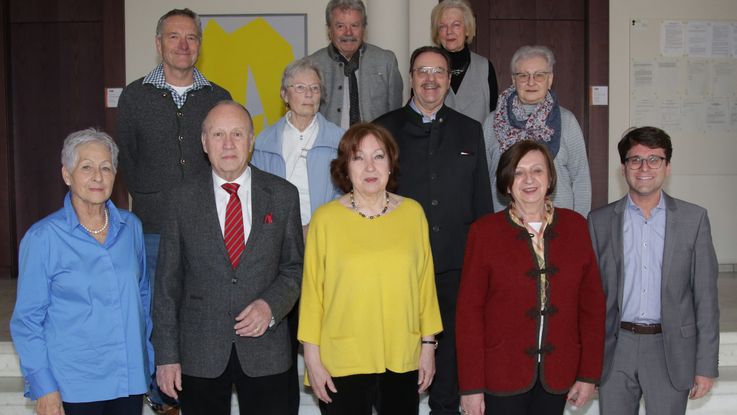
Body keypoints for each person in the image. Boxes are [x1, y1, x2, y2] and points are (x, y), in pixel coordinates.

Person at [153, 101, 304, 415]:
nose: (228, 143)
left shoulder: (283, 195)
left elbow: (295, 268)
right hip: (200, 353)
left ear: (251, 141)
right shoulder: (181, 200)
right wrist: (167, 356)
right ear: (204, 143)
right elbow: (167, 285)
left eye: (237, 133)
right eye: (218, 134)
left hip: (267, 350)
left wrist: (271, 306)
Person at [116, 9, 230, 409]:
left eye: (192, 37)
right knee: (154, 310)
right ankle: (161, 394)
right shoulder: (134, 97)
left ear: (200, 44)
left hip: (206, 227)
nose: (184, 45)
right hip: (152, 225)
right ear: (158, 43)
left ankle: (196, 387)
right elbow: (126, 159)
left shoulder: (217, 96)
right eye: (174, 36)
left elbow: (227, 158)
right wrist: (152, 195)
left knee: (197, 310)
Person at [374, 46, 492, 415]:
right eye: (422, 71)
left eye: (438, 71)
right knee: (400, 367)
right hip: (399, 270)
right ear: (411, 77)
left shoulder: (469, 130)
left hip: (456, 269)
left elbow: (482, 204)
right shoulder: (383, 129)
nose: (430, 79)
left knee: (450, 366)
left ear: (448, 79)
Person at [298, 123, 443, 414]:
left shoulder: (413, 214)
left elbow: (425, 285)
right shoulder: (325, 220)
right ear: (346, 167)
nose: (369, 167)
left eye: (378, 156)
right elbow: (313, 295)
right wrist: (312, 361)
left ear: (390, 164)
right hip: (342, 359)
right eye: (358, 157)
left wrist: (428, 346)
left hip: (402, 355)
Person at [456, 140, 605, 415]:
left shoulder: (576, 227)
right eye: (519, 171)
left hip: (558, 372)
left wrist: (588, 374)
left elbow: (592, 309)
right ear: (506, 181)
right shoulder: (484, 233)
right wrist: (470, 386)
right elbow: (469, 315)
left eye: (537, 170)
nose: (529, 180)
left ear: (550, 179)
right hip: (500, 373)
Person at [10, 128, 151, 415]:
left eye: (106, 168)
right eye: (86, 167)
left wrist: (147, 359)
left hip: (129, 381)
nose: (98, 177)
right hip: (73, 386)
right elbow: (27, 321)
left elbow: (143, 298)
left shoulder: (131, 228)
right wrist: (44, 386)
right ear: (67, 175)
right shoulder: (43, 238)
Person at [588, 126, 719, 415]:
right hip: (615, 348)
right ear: (623, 168)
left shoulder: (693, 220)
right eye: (635, 159)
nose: (644, 167)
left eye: (654, 159)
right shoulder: (598, 222)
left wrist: (706, 365)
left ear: (667, 167)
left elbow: (706, 299)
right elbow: (590, 299)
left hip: (670, 348)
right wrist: (586, 364)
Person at [250, 57, 343, 414]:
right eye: (300, 88)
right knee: (282, 348)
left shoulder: (340, 138)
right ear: (284, 94)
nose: (309, 94)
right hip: (277, 254)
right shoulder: (263, 142)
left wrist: (315, 226)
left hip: (327, 251)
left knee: (327, 343)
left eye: (315, 88)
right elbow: (256, 196)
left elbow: (347, 193)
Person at [483, 45, 591, 217]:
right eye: (523, 75)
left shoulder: (567, 121)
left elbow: (580, 177)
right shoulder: (491, 123)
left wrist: (579, 223)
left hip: (559, 225)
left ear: (550, 79)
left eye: (539, 75)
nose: (531, 81)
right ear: (513, 80)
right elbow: (483, 179)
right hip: (504, 224)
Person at [310, 0, 403, 129]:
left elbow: (397, 116)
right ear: (329, 30)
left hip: (376, 145)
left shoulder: (386, 62)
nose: (348, 33)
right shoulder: (312, 65)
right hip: (328, 147)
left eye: (354, 25)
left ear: (364, 28)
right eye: (340, 26)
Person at [431, 0, 498, 123]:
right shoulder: (426, 68)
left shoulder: (485, 68)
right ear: (437, 33)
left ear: (467, 30)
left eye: (456, 25)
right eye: (443, 26)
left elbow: (495, 118)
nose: (449, 31)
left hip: (476, 142)